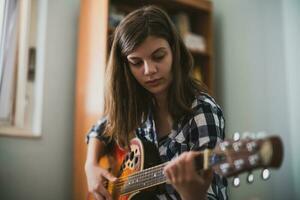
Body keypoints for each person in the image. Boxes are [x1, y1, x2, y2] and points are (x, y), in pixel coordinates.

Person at [85, 5, 228, 200]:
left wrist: (192, 195)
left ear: (174, 51)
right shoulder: (135, 105)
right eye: (136, 62)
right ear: (126, 66)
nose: (149, 70)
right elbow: (100, 128)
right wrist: (91, 165)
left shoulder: (203, 112)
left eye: (158, 56)